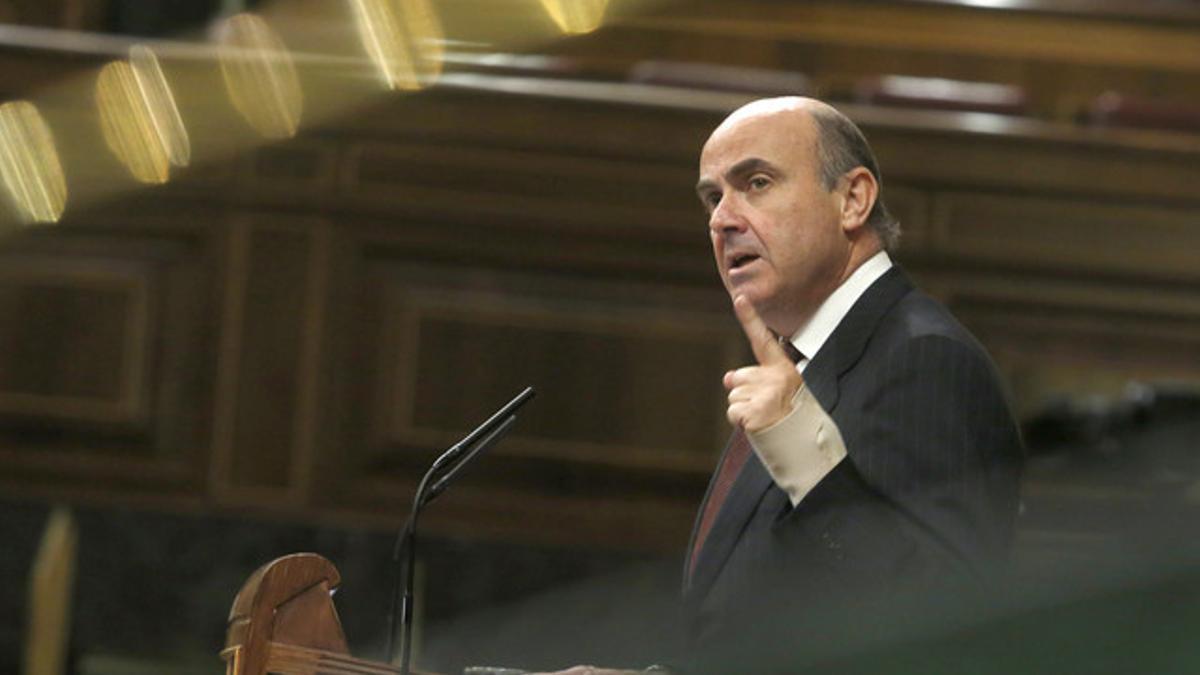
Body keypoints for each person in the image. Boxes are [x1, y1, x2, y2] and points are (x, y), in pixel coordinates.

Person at [534, 97, 1023, 674]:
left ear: (853, 199)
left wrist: (801, 447)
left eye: (756, 183)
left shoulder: (925, 357)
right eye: (713, 197)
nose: (721, 219)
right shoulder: (804, 366)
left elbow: (944, 623)